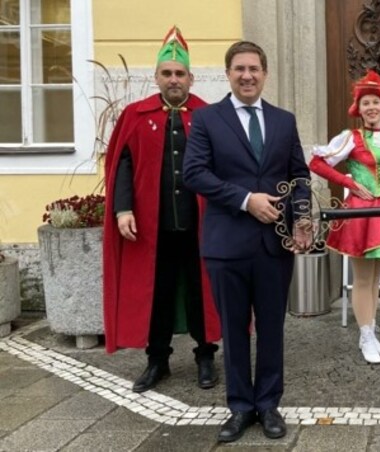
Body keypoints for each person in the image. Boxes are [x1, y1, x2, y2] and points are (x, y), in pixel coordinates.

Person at [183, 40, 310, 443]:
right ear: (228, 74)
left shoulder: (284, 121)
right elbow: (194, 173)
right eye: (239, 69)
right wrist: (245, 200)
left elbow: (300, 175)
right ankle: (239, 407)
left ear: (265, 74)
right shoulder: (206, 120)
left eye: (254, 68)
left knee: (272, 328)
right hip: (227, 246)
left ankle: (269, 403)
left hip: (275, 245)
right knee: (235, 330)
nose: (247, 75)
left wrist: (303, 218)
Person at [102, 26, 221, 394]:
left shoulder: (208, 115)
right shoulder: (135, 115)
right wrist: (123, 209)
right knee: (158, 292)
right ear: (156, 77)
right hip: (152, 228)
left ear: (191, 77)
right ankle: (158, 360)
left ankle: (205, 356)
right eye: (167, 73)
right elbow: (122, 164)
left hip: (200, 225)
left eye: (180, 73)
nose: (174, 79)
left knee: (202, 292)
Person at [309, 70, 380, 364]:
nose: (371, 108)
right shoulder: (351, 138)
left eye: (375, 102)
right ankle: (366, 335)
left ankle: (370, 331)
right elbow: (317, 163)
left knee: (375, 278)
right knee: (361, 278)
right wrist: (348, 183)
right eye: (365, 103)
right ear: (358, 110)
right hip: (361, 211)